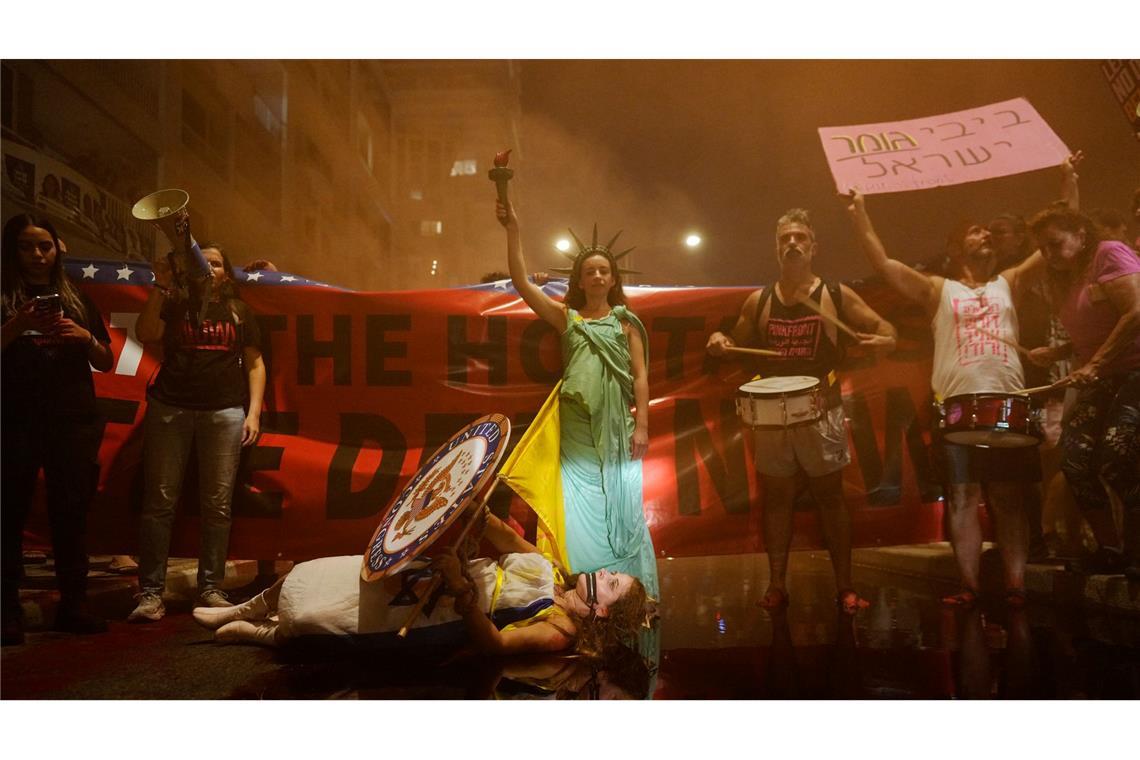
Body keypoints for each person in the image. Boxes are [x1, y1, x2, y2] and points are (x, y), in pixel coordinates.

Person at [844, 191, 1049, 607]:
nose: (985, 235)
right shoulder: (941, 289)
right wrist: (859, 214)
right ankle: (969, 586)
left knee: (1008, 497)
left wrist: (1069, 181)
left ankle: (1016, 587)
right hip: (957, 402)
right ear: (956, 249)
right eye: (975, 232)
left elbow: (1051, 242)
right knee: (962, 496)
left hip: (1006, 398)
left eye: (987, 231)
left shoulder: (1007, 283)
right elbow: (884, 265)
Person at [706, 207, 897, 614]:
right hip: (772, 415)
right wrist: (719, 340)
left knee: (831, 498)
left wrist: (884, 339)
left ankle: (845, 587)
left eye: (800, 238)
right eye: (785, 240)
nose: (792, 245)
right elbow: (733, 344)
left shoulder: (836, 295)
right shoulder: (759, 301)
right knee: (776, 500)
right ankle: (777, 586)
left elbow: (887, 331)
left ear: (813, 247)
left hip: (820, 409)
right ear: (777, 250)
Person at [190, 511, 650, 658]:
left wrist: (464, 592)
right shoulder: (548, 567)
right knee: (324, 572)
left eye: (612, 584)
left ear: (602, 611)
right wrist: (476, 507)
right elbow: (507, 537)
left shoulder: (558, 631)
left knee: (318, 618)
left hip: (439, 612)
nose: (605, 574)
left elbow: (492, 645)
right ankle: (243, 609)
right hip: (429, 571)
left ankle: (259, 633)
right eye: (612, 573)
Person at [495, 200, 658, 598]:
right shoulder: (566, 318)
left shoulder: (626, 322)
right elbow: (521, 283)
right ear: (580, 281)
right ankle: (588, 589)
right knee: (581, 506)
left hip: (618, 424)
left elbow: (640, 376)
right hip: (575, 427)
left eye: (604, 270)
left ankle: (628, 588)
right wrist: (513, 228)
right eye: (590, 272)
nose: (598, 275)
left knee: (621, 506)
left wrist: (643, 426)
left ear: (612, 277)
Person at [128, 243, 266, 622]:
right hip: (170, 408)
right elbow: (145, 331)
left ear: (226, 272)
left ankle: (210, 588)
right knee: (159, 501)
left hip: (223, 412)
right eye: (203, 261)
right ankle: (150, 593)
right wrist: (161, 284)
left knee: (217, 505)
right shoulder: (174, 305)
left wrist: (252, 413)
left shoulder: (239, 311)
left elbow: (255, 363)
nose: (210, 268)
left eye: (218, 262)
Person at [2, 214, 114, 645]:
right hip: (14, 421)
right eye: (27, 247)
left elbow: (104, 359)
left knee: (71, 514)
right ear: (12, 251)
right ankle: (6, 612)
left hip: (71, 421)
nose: (36, 255)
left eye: (44, 246)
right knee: (7, 514)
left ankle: (74, 605)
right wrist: (17, 325)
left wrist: (83, 336)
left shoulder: (76, 297)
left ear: (56, 249)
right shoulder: (4, 296)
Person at [1028, 206, 1140, 578]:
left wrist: (1093, 365)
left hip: (1134, 370)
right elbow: (1092, 331)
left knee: (1117, 453)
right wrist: (1059, 352)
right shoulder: (1068, 276)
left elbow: (1136, 310)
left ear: (1080, 233)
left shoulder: (1108, 253)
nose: (1049, 256)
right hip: (1102, 376)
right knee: (1074, 460)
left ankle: (1137, 549)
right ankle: (1111, 548)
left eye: (1056, 245)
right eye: (1043, 249)